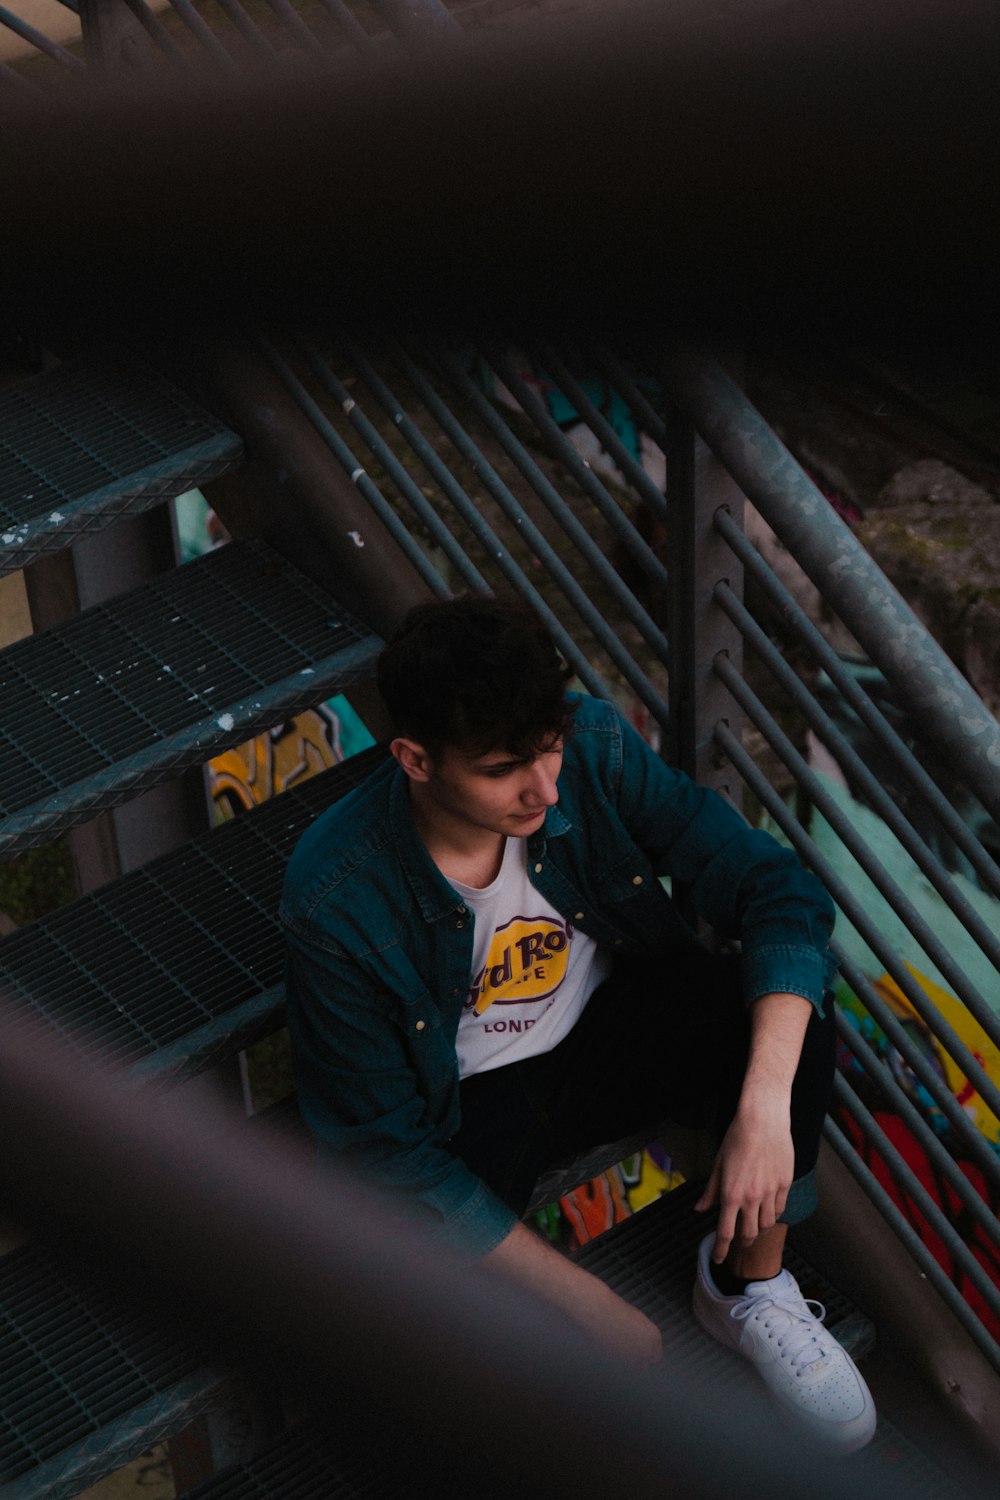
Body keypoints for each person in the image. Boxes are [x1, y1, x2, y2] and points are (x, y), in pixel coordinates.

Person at [281, 597, 876, 1452]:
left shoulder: (592, 744)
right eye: (502, 769)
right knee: (428, 1344)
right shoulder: (336, 897)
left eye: (548, 746)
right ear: (413, 759)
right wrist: (588, 1300)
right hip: (468, 1102)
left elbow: (775, 890)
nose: (545, 788)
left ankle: (749, 1283)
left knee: (789, 1025)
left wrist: (763, 1108)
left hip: (608, 1024)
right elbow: (384, 1152)